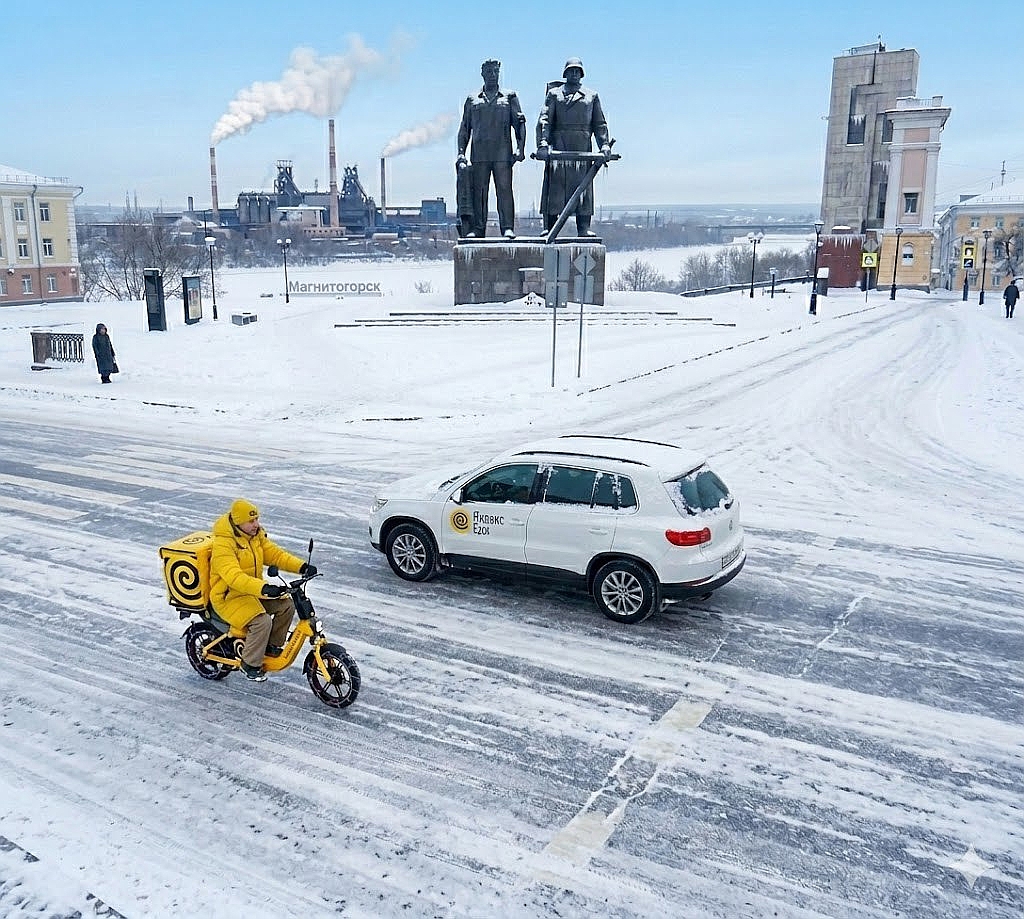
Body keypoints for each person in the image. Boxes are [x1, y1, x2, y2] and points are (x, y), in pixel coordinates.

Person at [209, 498, 316, 682]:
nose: (256, 524)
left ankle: (271, 647)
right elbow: (234, 577)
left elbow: (275, 555)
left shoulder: (255, 536)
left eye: (257, 519)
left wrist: (302, 567)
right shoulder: (223, 545)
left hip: (252, 591)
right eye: (251, 521)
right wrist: (264, 588)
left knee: (286, 605)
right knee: (262, 621)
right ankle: (250, 664)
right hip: (229, 596)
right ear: (238, 522)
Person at [536, 58, 612, 237]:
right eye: (571, 70)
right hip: (559, 146)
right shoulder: (554, 94)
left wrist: (604, 144)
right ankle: (549, 225)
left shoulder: (591, 96)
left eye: (578, 71)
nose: (574, 74)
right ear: (565, 73)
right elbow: (545, 120)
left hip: (582, 146)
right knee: (554, 188)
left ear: (582, 74)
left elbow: (599, 123)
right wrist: (543, 143)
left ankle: (583, 227)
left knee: (583, 189)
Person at [456, 59, 527, 239]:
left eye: (495, 71)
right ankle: (478, 228)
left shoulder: (509, 97)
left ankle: (507, 227)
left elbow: (519, 124)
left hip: (503, 154)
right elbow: (464, 128)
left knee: (504, 191)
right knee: (479, 193)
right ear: (483, 74)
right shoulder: (473, 100)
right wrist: (461, 153)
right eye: (489, 72)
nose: (493, 75)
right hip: (479, 155)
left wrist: (520, 148)